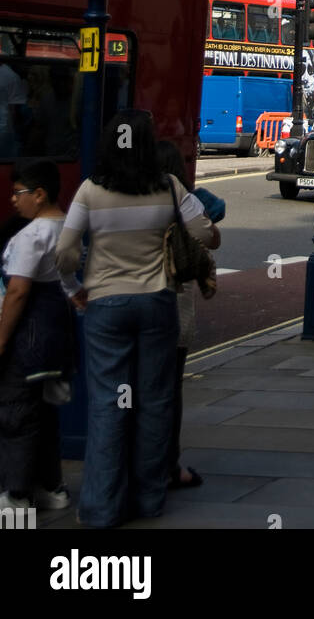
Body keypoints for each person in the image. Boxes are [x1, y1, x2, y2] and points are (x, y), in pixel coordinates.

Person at [56, 110, 219, 528]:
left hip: (107, 306)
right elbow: (204, 232)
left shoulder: (91, 190)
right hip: (156, 303)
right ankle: (148, 500)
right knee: (155, 401)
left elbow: (65, 250)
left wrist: (74, 287)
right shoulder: (167, 187)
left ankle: (100, 507)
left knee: (109, 404)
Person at [0, 161, 81, 512]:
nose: (13, 200)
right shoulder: (68, 227)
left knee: (16, 412)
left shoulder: (30, 236)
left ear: (39, 194)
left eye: (18, 193)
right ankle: (52, 487)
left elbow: (17, 291)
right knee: (45, 414)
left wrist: (1, 340)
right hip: (56, 333)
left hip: (28, 335)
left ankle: (17, 496)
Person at [155, 140, 224, 489]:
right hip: (171, 301)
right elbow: (210, 238)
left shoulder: (120, 190)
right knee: (168, 392)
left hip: (121, 304)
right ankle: (168, 464)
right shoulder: (179, 194)